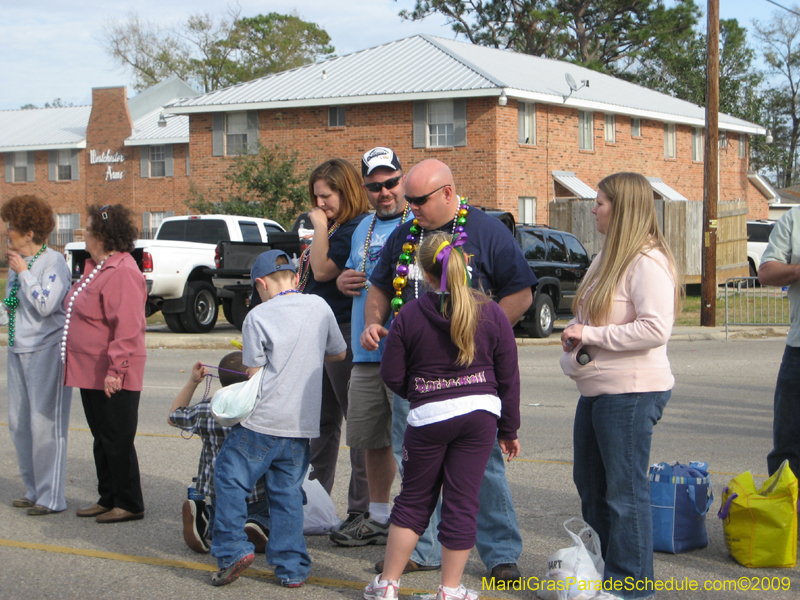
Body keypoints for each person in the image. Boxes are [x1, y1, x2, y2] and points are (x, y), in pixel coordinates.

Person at [364, 158, 535, 581]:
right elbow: (380, 287)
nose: (412, 206)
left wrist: (480, 334)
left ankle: (499, 554)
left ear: (446, 192)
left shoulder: (485, 231)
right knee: (418, 470)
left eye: (420, 200)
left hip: (472, 379)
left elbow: (522, 293)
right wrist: (373, 322)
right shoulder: (406, 235)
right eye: (410, 199)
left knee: (484, 470)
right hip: (419, 383)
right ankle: (423, 549)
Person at [559, 172, 680, 599]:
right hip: (597, 392)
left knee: (624, 495)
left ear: (623, 208)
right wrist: (578, 333)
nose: (593, 209)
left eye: (601, 202)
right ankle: (607, 575)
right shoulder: (608, 257)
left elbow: (654, 329)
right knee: (591, 487)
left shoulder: (647, 260)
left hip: (631, 393)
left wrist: (591, 336)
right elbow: (593, 319)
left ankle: (632, 588)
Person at [210, 250, 347, 588]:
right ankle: (292, 568)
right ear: (294, 278)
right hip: (301, 426)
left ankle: (231, 549)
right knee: (286, 495)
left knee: (230, 477)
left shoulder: (257, 316)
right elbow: (339, 352)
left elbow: (254, 372)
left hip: (263, 421)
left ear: (261, 283)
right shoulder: (319, 307)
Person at [332, 147, 413, 546]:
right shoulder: (363, 227)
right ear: (365, 189)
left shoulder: (420, 221)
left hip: (409, 354)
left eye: (391, 182)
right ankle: (378, 517)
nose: (384, 192)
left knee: (410, 441)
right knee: (370, 439)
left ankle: (417, 520)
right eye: (375, 186)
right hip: (364, 354)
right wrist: (342, 281)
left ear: (403, 179)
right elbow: (350, 273)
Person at [63, 204, 148, 524]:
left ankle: (130, 502)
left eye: (87, 230)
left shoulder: (123, 271)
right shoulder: (96, 268)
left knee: (118, 437)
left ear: (103, 236)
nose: (83, 234)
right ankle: (108, 496)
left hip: (114, 370)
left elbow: (127, 327)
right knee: (102, 437)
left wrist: (117, 370)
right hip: (91, 369)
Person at [300, 158, 370, 525]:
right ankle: (314, 503)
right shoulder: (340, 225)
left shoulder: (356, 227)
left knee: (356, 422)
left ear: (346, 191)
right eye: (316, 197)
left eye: (325, 196)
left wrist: (320, 228)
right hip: (322, 333)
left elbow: (323, 269)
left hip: (343, 331)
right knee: (321, 423)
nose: (319, 204)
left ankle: (361, 510)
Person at [3, 195, 73, 516]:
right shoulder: (17, 264)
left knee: (45, 424)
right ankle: (33, 490)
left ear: (29, 233)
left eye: (11, 228)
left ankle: (51, 497)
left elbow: (46, 304)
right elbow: (11, 308)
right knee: (19, 424)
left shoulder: (52, 262)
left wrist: (25, 273)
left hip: (46, 350)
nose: (7, 233)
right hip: (17, 349)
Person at [168, 352, 271, 554]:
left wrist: (193, 382)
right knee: (272, 517)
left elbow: (174, 416)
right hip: (256, 489)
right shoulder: (260, 407)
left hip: (219, 488)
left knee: (221, 524)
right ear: (252, 377)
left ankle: (203, 519)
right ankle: (256, 524)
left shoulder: (208, 408)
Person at [759, 205, 800, 478]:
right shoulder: (795, 218)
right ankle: (787, 517)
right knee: (787, 446)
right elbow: (766, 272)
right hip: (798, 350)